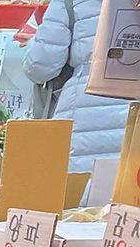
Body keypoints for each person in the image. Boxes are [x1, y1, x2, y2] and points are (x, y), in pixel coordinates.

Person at [24, 0, 130, 173]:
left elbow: (40, 66)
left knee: (79, 192)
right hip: (133, 116)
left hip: (82, 115)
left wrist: (33, 42)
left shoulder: (69, 2)